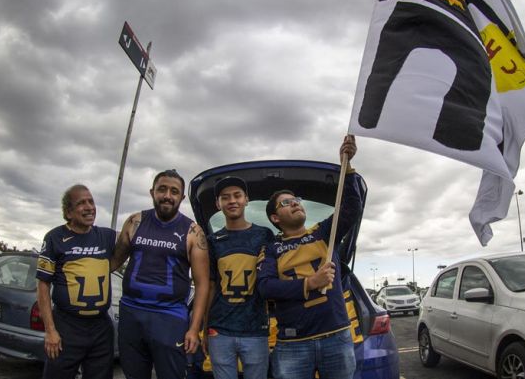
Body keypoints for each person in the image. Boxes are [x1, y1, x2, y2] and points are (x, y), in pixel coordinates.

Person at [257, 135, 362, 379]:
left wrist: (346, 168)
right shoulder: (272, 248)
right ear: (275, 218)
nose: (294, 203)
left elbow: (351, 207)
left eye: (296, 200)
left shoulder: (324, 233)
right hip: (294, 344)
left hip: (337, 336)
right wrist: (310, 283)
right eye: (286, 202)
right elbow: (265, 287)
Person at [111, 169, 210, 379]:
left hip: (170, 318)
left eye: (174, 191)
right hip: (131, 313)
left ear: (181, 198)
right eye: (162, 189)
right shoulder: (135, 222)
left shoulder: (193, 231)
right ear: (152, 192)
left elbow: (202, 284)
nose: (167, 195)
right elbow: (112, 263)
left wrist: (194, 329)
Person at [35, 184, 116, 379]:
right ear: (69, 212)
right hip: (67, 327)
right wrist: (50, 330)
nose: (89, 207)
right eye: (82, 203)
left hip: (100, 328)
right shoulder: (55, 238)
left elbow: (131, 241)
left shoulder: (106, 236)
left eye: (91, 201)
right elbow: (43, 285)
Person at [203, 176, 275, 379]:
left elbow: (273, 279)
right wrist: (205, 327)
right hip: (220, 330)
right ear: (218, 204)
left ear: (246, 199)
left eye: (237, 195)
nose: (232, 201)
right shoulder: (212, 241)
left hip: (256, 330)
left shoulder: (264, 235)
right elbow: (209, 286)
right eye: (225, 197)